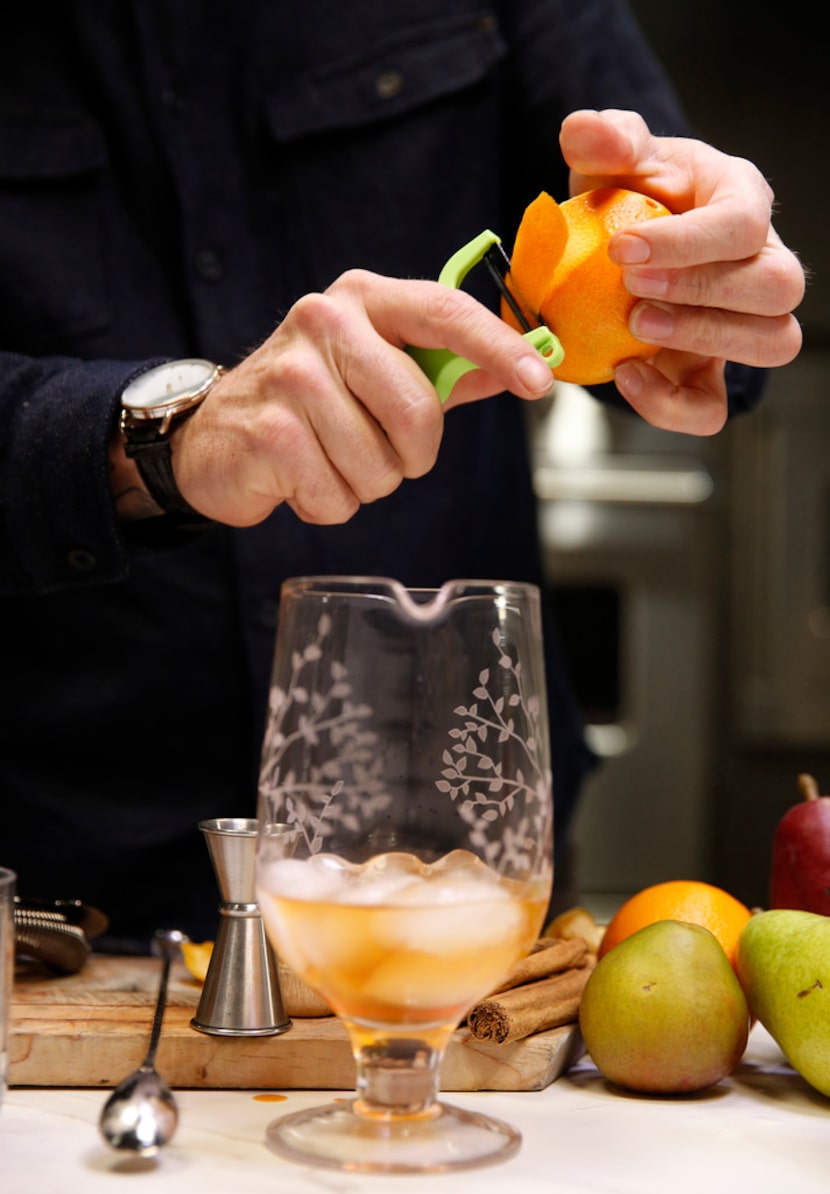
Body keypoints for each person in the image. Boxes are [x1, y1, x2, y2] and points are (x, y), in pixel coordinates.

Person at [0, 2, 803, 952]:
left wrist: (705, 263)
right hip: (57, 900)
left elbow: (664, 225)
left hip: (463, 881)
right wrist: (152, 438)